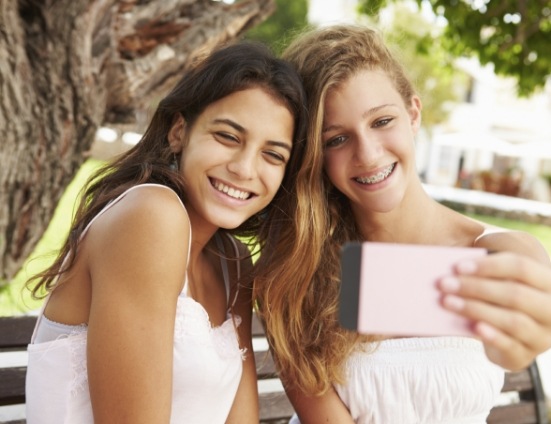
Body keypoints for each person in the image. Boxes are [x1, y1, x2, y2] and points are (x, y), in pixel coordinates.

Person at [253, 24, 551, 424]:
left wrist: (519, 339)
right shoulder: (299, 272)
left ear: (413, 113)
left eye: (381, 121)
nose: (369, 154)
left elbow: (519, 348)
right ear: (314, 156)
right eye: (336, 139)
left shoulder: (499, 252)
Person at [24, 41, 308, 424]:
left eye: (273, 155)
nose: (244, 168)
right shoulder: (150, 215)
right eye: (228, 136)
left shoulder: (233, 263)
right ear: (179, 132)